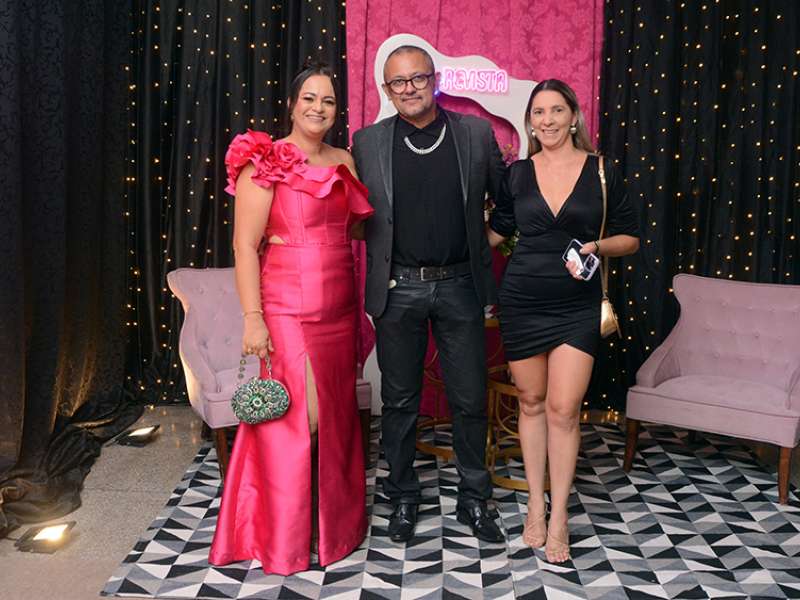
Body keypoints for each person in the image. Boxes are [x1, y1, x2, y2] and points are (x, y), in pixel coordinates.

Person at [208, 63, 374, 575]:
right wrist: (253, 318)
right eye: (309, 98)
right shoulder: (264, 160)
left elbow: (355, 230)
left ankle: (334, 531)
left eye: (328, 100)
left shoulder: (344, 160)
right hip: (286, 309)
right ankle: (279, 537)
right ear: (292, 104)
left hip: (340, 307)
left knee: (337, 421)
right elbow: (244, 247)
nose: (318, 108)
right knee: (296, 422)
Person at [352, 45, 506, 544]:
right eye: (398, 82)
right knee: (399, 402)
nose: (409, 88)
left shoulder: (474, 134)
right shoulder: (367, 143)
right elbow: (353, 215)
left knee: (469, 398)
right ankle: (402, 497)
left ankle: (474, 498)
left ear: (434, 80)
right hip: (398, 288)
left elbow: (507, 203)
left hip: (460, 284)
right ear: (387, 89)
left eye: (417, 78)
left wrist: (483, 246)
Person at [487, 79, 639, 563]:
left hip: (577, 306)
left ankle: (559, 517)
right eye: (539, 112)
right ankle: (536, 504)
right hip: (522, 300)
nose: (547, 120)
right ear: (530, 121)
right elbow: (498, 231)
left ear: (574, 116)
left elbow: (631, 237)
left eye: (556, 110)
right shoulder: (517, 174)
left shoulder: (602, 170)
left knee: (564, 409)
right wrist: (443, 246)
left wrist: (596, 246)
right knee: (531, 403)